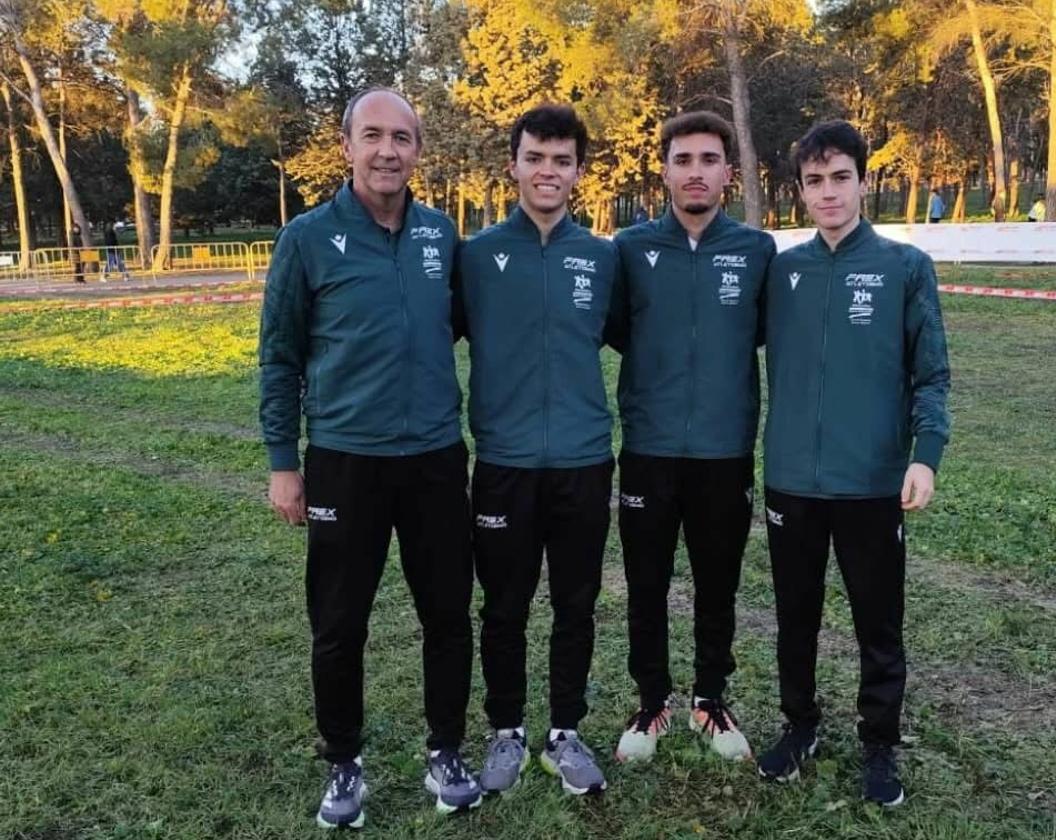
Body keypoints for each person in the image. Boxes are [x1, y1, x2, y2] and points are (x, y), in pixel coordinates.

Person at [258, 87, 479, 828]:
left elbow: (456, 326)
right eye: (374, 136)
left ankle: (445, 750)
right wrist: (283, 462)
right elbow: (279, 356)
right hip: (344, 464)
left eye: (403, 138)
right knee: (339, 622)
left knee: (448, 614)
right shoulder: (308, 238)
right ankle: (344, 762)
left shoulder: (440, 234)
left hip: (437, 461)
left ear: (419, 151)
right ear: (347, 145)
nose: (389, 151)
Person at [757, 120, 950, 808]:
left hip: (872, 483)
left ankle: (879, 744)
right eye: (815, 181)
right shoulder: (782, 271)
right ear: (801, 190)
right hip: (790, 481)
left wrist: (924, 457)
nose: (829, 192)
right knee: (795, 616)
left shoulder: (904, 267)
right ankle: (800, 725)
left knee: (877, 621)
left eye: (841, 178)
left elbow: (932, 375)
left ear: (864, 182)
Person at [605, 111, 776, 765]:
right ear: (666, 171)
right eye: (683, 160)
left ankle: (710, 698)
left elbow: (757, 333)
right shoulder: (631, 248)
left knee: (717, 582)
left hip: (724, 451)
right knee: (645, 584)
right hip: (649, 448)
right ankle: (651, 704)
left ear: (728, 173)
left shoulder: (755, 251)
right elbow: (622, 329)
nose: (695, 171)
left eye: (709, 159)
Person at [456, 103, 617, 797]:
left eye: (561, 160)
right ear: (514, 165)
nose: (547, 171)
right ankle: (506, 731)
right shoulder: (476, 256)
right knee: (505, 605)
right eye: (535, 158)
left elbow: (630, 340)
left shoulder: (604, 258)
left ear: (579, 171)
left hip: (583, 462)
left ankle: (565, 732)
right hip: (504, 464)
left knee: (576, 603)